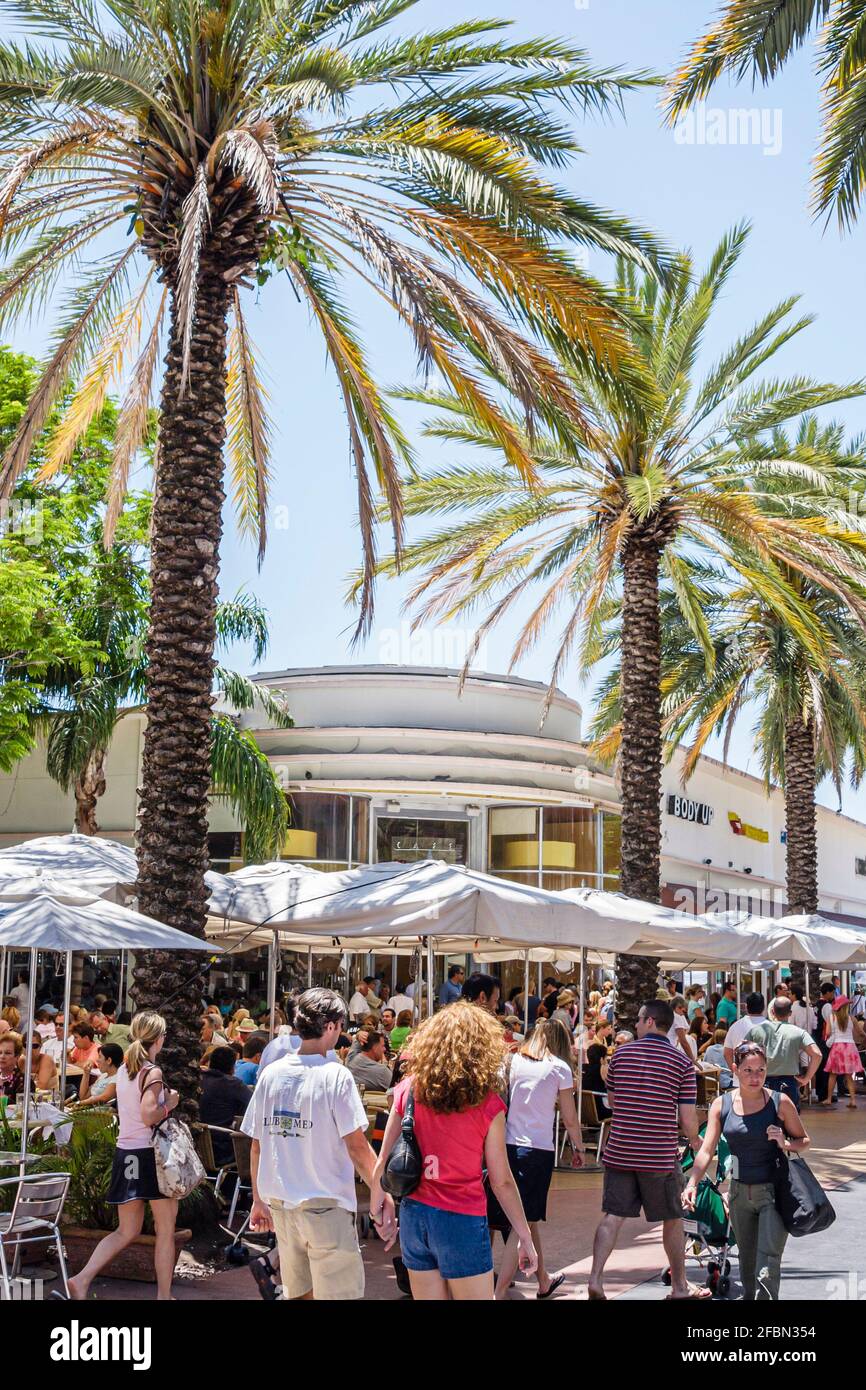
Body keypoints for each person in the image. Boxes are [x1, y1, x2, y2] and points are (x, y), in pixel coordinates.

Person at [372, 1001, 536, 1301]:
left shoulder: (408, 1088)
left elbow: (382, 1161)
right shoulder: (488, 1103)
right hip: (461, 1216)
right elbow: (501, 1181)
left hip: (415, 1215)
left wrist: (379, 1209)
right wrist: (524, 1236)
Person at [242, 988, 397, 1300]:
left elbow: (258, 1144)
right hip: (326, 1204)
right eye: (340, 1025)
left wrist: (258, 1200)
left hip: (283, 1203)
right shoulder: (336, 1076)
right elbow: (357, 1147)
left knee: (298, 1293)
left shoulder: (272, 1074)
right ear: (331, 1026)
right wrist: (381, 1192)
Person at [588, 998, 708, 1302]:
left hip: (620, 1151)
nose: (636, 1025)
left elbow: (613, 1102)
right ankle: (679, 1287)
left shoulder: (620, 1055)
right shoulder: (681, 1063)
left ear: (651, 1021)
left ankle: (596, 1279)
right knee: (673, 1218)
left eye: (639, 1020)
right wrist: (694, 1139)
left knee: (612, 1217)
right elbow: (687, 1117)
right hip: (659, 1154)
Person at [67, 1011, 181, 1301]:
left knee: (125, 1230)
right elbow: (148, 1114)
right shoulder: (151, 1071)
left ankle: (82, 1279)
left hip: (126, 1152)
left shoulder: (124, 1070)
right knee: (165, 1230)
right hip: (151, 1155)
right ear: (160, 1039)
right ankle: (164, 1296)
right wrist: (170, 1104)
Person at [684, 1041, 810, 1300]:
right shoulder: (722, 1104)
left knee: (767, 1262)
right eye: (748, 1070)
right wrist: (692, 1182)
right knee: (748, 1262)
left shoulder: (780, 1102)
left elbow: (804, 1141)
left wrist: (785, 1142)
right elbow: (707, 1150)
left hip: (773, 1192)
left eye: (761, 1070)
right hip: (740, 1192)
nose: (755, 1077)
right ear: (735, 1069)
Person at [494, 1018, 584, 1300]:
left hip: (506, 1145)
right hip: (538, 1149)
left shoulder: (514, 1061)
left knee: (526, 1218)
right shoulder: (560, 1068)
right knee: (526, 1219)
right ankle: (497, 1293)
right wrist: (578, 1148)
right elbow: (569, 1117)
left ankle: (543, 1281)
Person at [746, 997, 821, 1109]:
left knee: (763, 1120)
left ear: (772, 1011)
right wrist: (806, 1079)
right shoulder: (799, 1033)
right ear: (790, 1013)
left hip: (763, 1082)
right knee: (789, 1122)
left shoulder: (757, 1030)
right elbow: (817, 1054)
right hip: (789, 1083)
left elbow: (743, 1053)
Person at [200, 1046, 254, 1165]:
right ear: (232, 1067)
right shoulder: (232, 1084)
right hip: (224, 1148)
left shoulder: (198, 1079)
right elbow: (254, 1105)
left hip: (197, 1145)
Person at [823, 996, 860, 1108]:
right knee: (849, 1076)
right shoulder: (852, 1018)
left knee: (833, 1074)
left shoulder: (832, 1017)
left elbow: (828, 1032)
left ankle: (829, 1099)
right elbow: (859, 1033)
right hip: (850, 1047)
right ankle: (853, 1100)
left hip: (837, 1047)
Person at [724, 993, 767, 1074]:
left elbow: (727, 1053)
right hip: (764, 1078)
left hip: (741, 1079)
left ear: (746, 1007)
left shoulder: (735, 1026)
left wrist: (736, 1072)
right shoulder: (771, 1027)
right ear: (764, 1007)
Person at [813, 983, 839, 1103]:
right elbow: (831, 1023)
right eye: (833, 992)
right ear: (827, 992)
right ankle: (824, 1094)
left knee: (820, 1067)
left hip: (816, 1038)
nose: (833, 995)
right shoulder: (827, 1006)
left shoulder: (816, 1005)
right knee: (826, 1067)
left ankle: (820, 1093)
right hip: (824, 1040)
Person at [0, 1032, 26, 1100]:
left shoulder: (24, 1081)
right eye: (0, 1052)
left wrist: (3, 1099)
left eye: (7, 1053)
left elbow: (22, 1107)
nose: (2, 1056)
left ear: (17, 1057)